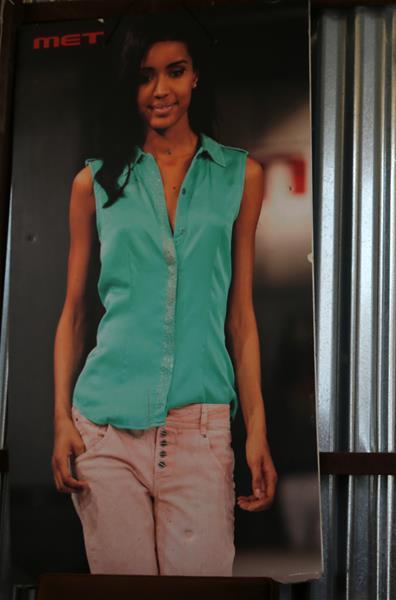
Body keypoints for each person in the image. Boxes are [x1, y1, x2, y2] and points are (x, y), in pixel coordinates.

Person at [50, 14, 277, 576]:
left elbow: (241, 319)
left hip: (200, 430)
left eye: (174, 71)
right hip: (104, 427)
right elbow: (75, 313)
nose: (160, 90)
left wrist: (257, 429)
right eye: (145, 76)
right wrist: (60, 419)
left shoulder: (241, 177)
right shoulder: (94, 183)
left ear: (196, 75)